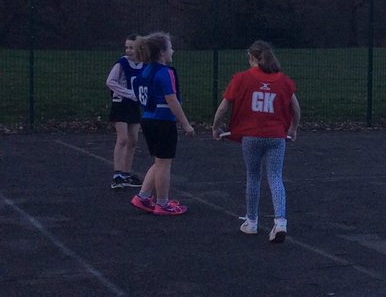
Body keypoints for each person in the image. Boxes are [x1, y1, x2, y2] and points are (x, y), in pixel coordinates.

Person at [211, 40, 301, 244]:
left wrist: (216, 127)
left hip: (250, 137)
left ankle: (251, 221)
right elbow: (296, 108)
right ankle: (280, 221)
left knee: (253, 176)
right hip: (276, 137)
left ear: (252, 58)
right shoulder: (284, 81)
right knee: (275, 177)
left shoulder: (241, 78)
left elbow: (223, 107)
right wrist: (293, 128)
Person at [129, 32, 195, 215]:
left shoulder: (145, 70)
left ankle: (143, 196)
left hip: (148, 119)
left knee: (159, 161)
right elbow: (172, 100)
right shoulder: (165, 73)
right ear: (161, 52)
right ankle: (163, 203)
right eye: (170, 47)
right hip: (163, 121)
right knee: (165, 163)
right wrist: (186, 124)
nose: (172, 50)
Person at [105, 33, 144, 189]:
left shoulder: (143, 64)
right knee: (122, 139)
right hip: (120, 104)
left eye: (131, 48)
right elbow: (110, 82)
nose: (128, 50)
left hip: (134, 106)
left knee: (133, 140)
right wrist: (128, 94)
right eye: (126, 47)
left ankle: (126, 174)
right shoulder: (121, 64)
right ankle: (117, 175)